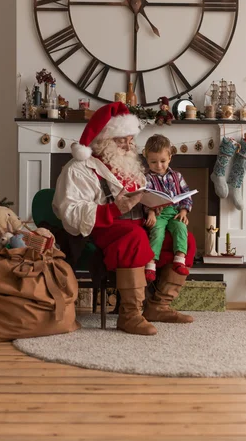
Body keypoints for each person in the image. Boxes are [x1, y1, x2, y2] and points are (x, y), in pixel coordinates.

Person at [52, 102, 195, 336]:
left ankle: (158, 305)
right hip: (102, 228)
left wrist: (154, 206)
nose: (129, 146)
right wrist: (114, 209)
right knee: (134, 237)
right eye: (122, 140)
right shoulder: (78, 169)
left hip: (141, 222)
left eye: (130, 140)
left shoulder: (128, 164)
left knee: (183, 237)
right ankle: (130, 315)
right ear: (103, 140)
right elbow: (70, 212)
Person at [143, 134, 192, 283]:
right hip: (158, 213)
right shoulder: (147, 177)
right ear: (147, 159)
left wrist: (184, 211)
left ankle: (179, 259)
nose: (158, 166)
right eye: (153, 162)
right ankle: (151, 264)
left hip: (175, 212)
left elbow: (186, 195)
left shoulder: (177, 176)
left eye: (163, 161)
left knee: (181, 228)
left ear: (170, 157)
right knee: (157, 231)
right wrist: (150, 212)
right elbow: (144, 197)